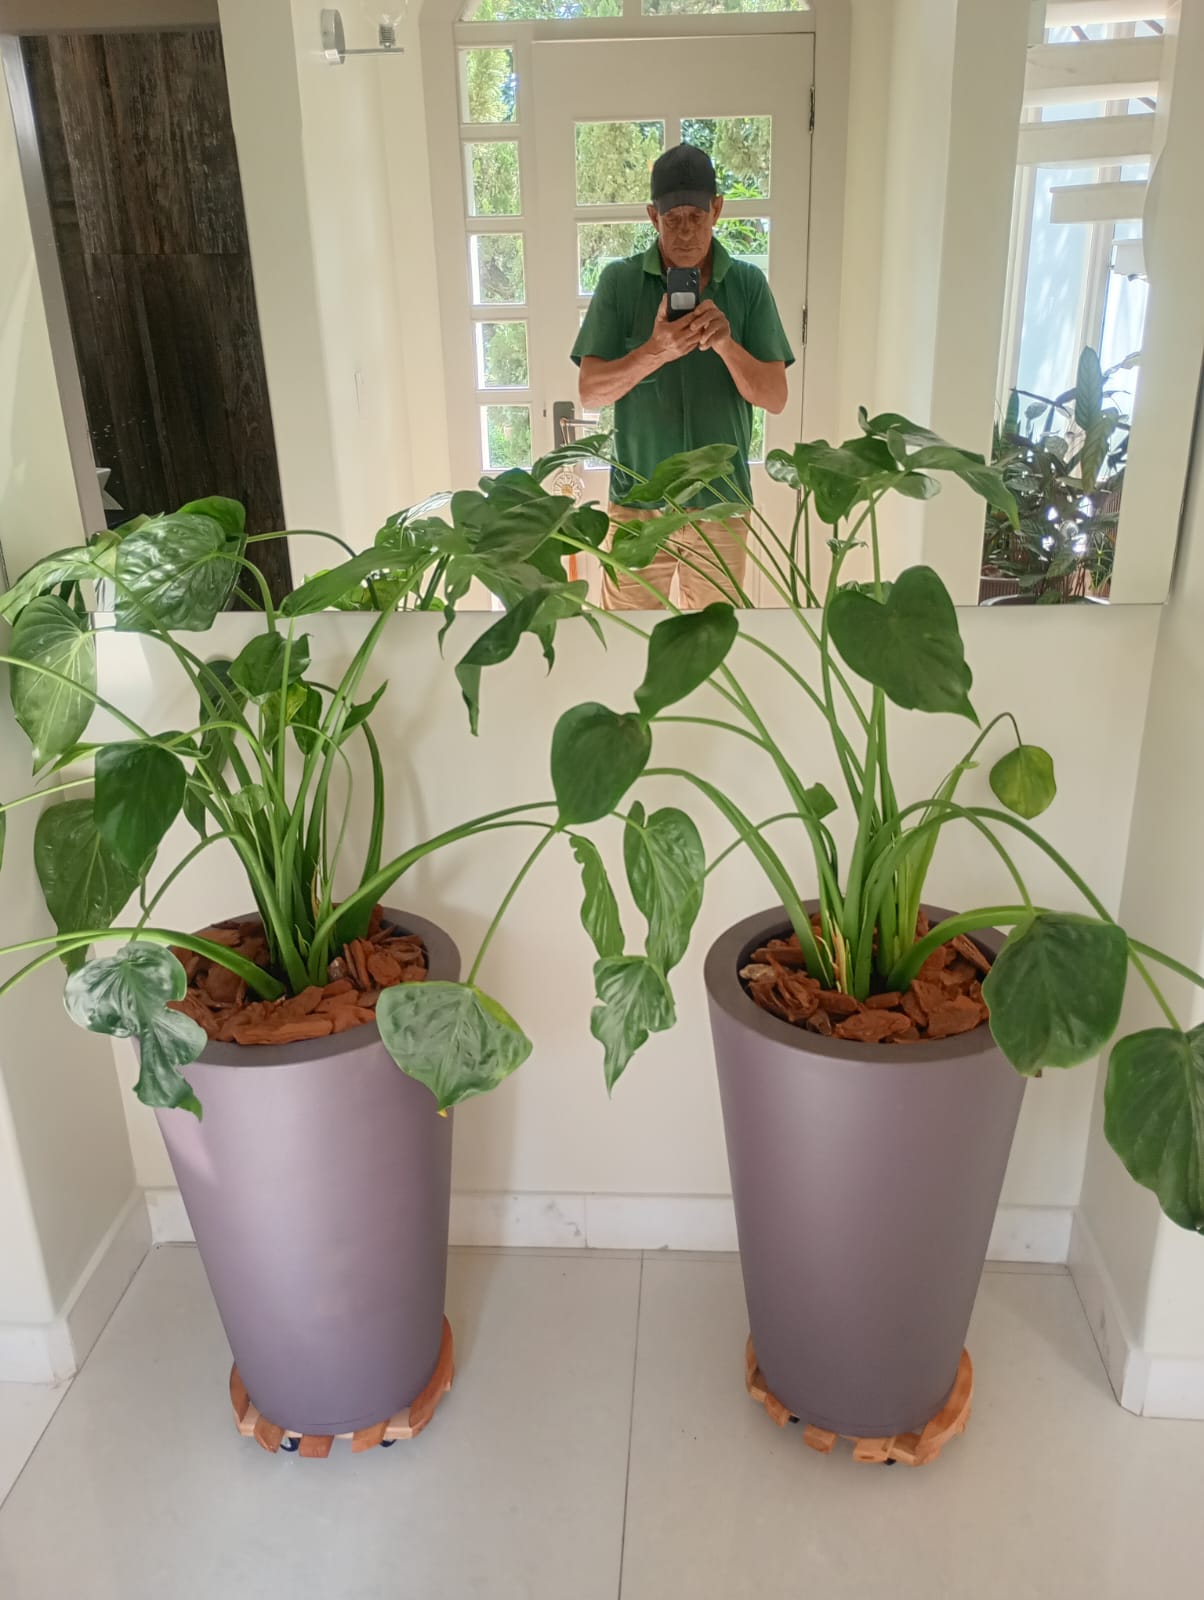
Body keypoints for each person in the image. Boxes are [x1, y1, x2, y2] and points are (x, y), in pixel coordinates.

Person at [572, 142, 794, 610]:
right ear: (653, 217)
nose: (686, 232)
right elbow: (590, 392)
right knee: (629, 638)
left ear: (718, 210)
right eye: (673, 219)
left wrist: (726, 345)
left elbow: (774, 397)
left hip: (721, 504)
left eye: (697, 216)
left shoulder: (748, 285)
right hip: (637, 505)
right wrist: (656, 351)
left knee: (713, 642)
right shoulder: (619, 283)